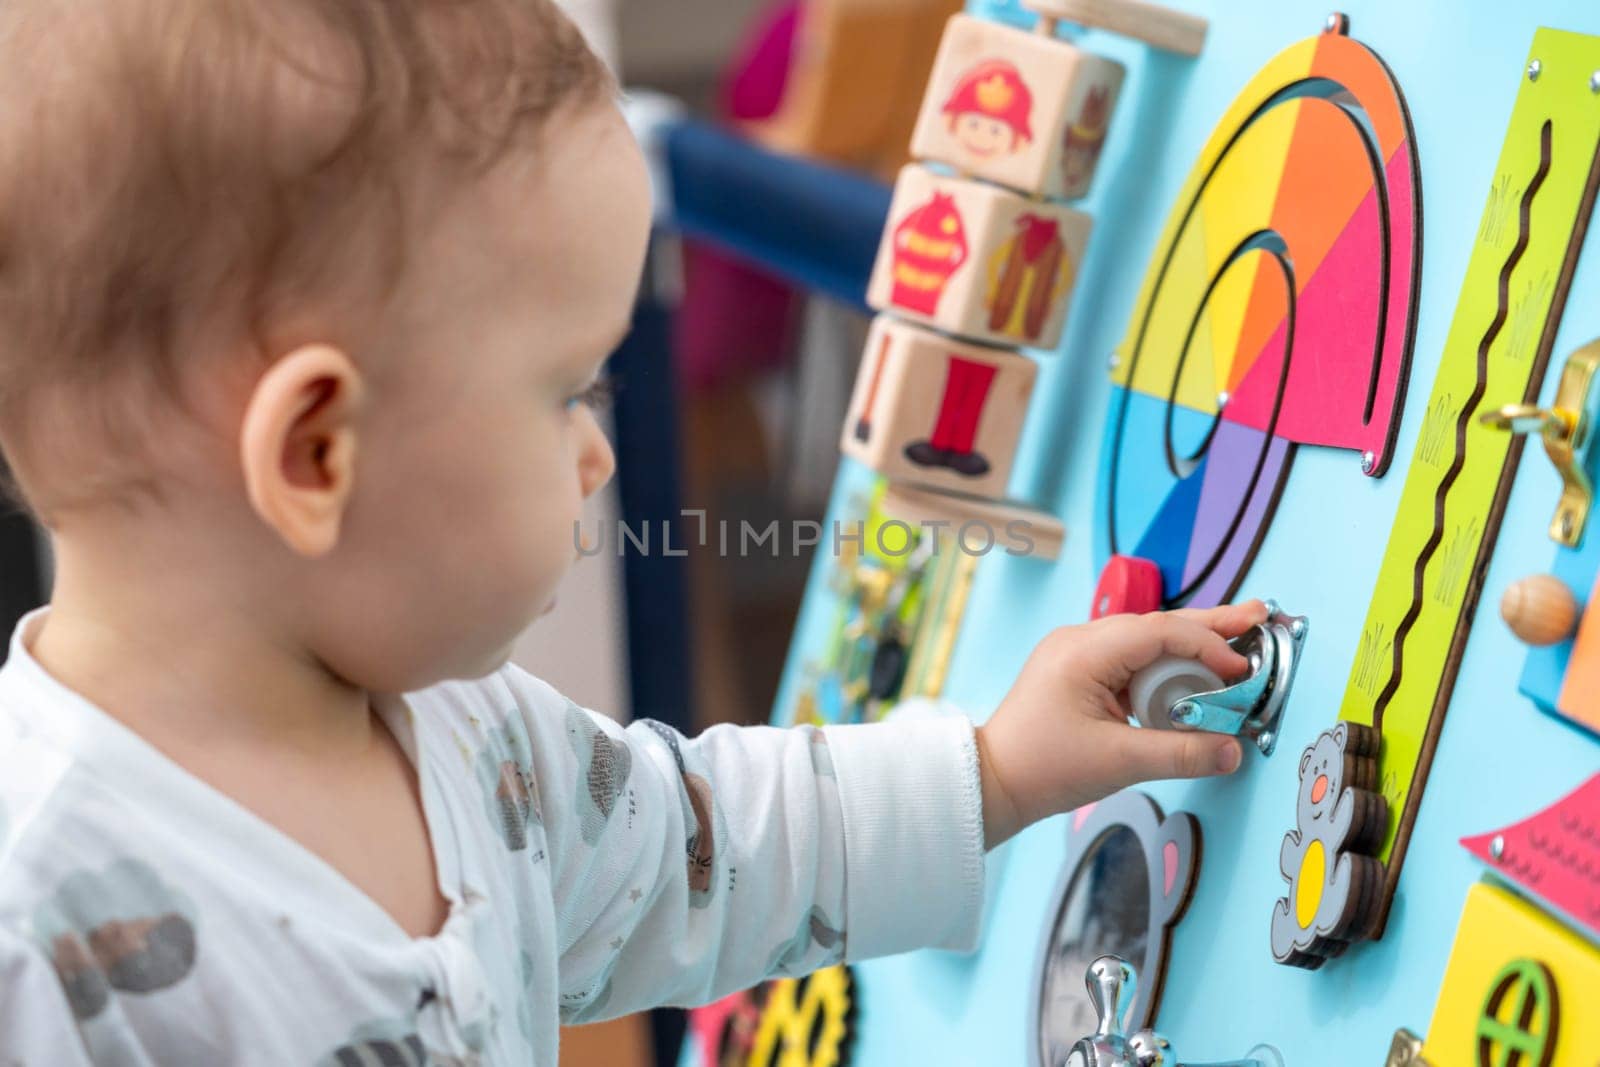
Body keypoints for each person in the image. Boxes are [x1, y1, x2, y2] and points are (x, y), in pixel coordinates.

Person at [0, 1, 1260, 1063]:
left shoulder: (474, 738)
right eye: (565, 391)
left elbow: (711, 848)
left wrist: (995, 770)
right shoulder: (42, 936)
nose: (599, 450)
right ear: (316, 453)